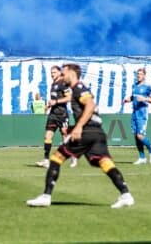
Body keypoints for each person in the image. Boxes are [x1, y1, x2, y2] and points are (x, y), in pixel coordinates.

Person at [27, 63, 134, 208]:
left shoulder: (77, 88)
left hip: (87, 132)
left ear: (71, 73)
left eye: (63, 73)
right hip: (97, 132)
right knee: (104, 162)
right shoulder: (78, 89)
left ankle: (46, 196)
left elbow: (90, 105)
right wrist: (73, 127)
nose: (62, 76)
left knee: (56, 158)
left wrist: (78, 127)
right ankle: (126, 194)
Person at [38, 65, 76, 169]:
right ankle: (46, 160)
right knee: (47, 136)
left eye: (54, 72)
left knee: (64, 136)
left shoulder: (63, 83)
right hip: (53, 114)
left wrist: (56, 101)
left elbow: (69, 97)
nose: (52, 74)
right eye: (51, 72)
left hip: (62, 114)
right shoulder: (53, 84)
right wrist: (48, 106)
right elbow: (53, 99)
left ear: (59, 73)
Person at [123, 67, 151, 165]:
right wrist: (127, 100)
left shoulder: (147, 87)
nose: (139, 76)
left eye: (141, 74)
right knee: (135, 136)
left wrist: (145, 99)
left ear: (144, 75)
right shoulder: (134, 86)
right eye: (138, 74)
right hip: (134, 113)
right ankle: (142, 157)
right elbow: (133, 97)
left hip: (142, 114)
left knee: (140, 136)